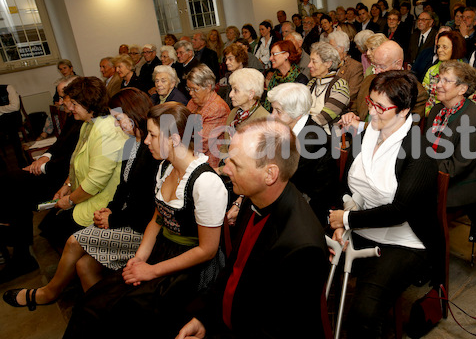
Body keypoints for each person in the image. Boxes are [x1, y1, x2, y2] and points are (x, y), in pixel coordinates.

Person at [62, 102, 227, 339]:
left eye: (152, 134)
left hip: (191, 268)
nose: (146, 141)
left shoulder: (206, 183)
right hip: (162, 251)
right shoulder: (165, 168)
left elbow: (207, 250)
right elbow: (156, 221)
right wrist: (138, 259)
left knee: (124, 311)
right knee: (92, 302)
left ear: (174, 139)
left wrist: (151, 271)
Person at [3, 88, 158, 308]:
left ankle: (49, 293)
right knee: (83, 266)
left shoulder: (152, 150)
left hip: (142, 229)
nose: (116, 124)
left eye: (119, 119)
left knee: (75, 240)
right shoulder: (129, 143)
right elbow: (122, 188)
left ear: (134, 115)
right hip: (126, 217)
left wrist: (112, 219)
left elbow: (145, 206)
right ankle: (97, 318)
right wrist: (110, 209)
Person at [176, 119, 329, 339]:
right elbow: (234, 271)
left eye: (236, 164)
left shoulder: (302, 248)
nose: (225, 169)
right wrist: (204, 317)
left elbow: (277, 329)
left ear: (270, 174)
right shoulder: (253, 199)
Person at [329, 71, 441, 339]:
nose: (372, 112)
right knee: (302, 272)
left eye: (381, 107)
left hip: (404, 240)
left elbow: (400, 211)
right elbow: (347, 184)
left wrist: (346, 221)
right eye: (371, 102)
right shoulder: (368, 133)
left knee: (365, 314)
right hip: (362, 225)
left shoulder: (419, 151)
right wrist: (343, 223)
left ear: (404, 112)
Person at [0, 77, 81, 283]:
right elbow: (60, 144)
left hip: (63, 178)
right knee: (11, 183)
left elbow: (71, 162)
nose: (60, 102)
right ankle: (19, 247)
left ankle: (18, 247)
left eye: (64, 97)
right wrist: (44, 157)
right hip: (57, 171)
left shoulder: (85, 122)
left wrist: (43, 166)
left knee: (15, 187)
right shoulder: (74, 116)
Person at [38, 77, 129, 248]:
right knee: (50, 224)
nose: (69, 107)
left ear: (89, 103)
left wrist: (70, 200)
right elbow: (77, 162)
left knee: (58, 228)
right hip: (88, 192)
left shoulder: (106, 129)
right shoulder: (88, 124)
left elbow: (97, 180)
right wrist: (67, 184)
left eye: (74, 103)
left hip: (104, 199)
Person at [426, 61, 476, 239]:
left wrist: (421, 171)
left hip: (461, 183)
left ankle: (428, 254)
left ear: (462, 89)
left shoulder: (473, 119)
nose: (438, 85)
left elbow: (457, 167)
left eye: (446, 81)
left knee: (412, 200)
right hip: (437, 172)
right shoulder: (437, 110)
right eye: (439, 79)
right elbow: (425, 148)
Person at [266, 83, 338, 226]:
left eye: (278, 111)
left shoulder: (312, 140)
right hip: (289, 199)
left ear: (297, 114)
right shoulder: (286, 128)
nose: (272, 115)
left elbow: (282, 179)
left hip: (308, 213)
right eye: (272, 109)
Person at [220, 68, 270, 164]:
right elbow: (224, 145)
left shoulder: (265, 120)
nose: (230, 95)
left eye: (236, 90)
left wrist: (224, 169)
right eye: (231, 90)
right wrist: (225, 160)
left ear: (251, 94)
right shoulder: (233, 113)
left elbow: (258, 162)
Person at [185, 66, 230, 169]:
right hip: (190, 156)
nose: (191, 93)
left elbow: (200, 145)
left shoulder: (217, 109)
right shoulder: (193, 102)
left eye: (195, 89)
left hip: (208, 164)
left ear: (209, 87)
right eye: (189, 88)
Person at [307, 42, 350, 134]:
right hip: (309, 134)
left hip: (331, 139)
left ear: (328, 64)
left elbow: (324, 117)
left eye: (314, 61)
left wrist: (304, 128)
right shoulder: (311, 83)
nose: (309, 65)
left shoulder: (340, 85)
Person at [422, 30, 467, 116]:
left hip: (458, 118)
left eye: (444, 47)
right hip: (433, 116)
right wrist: (430, 113)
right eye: (438, 46)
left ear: (455, 48)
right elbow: (424, 97)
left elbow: (471, 99)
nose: (439, 50)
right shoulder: (432, 71)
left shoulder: (465, 72)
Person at [264, 40, 308, 110]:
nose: (270, 58)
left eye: (274, 54)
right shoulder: (275, 78)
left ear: (286, 55)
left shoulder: (300, 80)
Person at [329, 30, 364, 109]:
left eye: (331, 46)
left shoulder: (355, 66)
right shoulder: (329, 64)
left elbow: (350, 94)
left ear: (341, 49)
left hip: (344, 109)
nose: (328, 50)